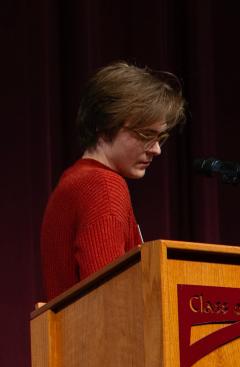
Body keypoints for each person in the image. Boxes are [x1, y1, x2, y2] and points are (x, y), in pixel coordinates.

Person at [41, 61, 187, 298]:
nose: (157, 149)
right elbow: (111, 302)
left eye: (160, 137)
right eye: (146, 135)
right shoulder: (102, 186)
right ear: (103, 125)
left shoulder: (73, 181)